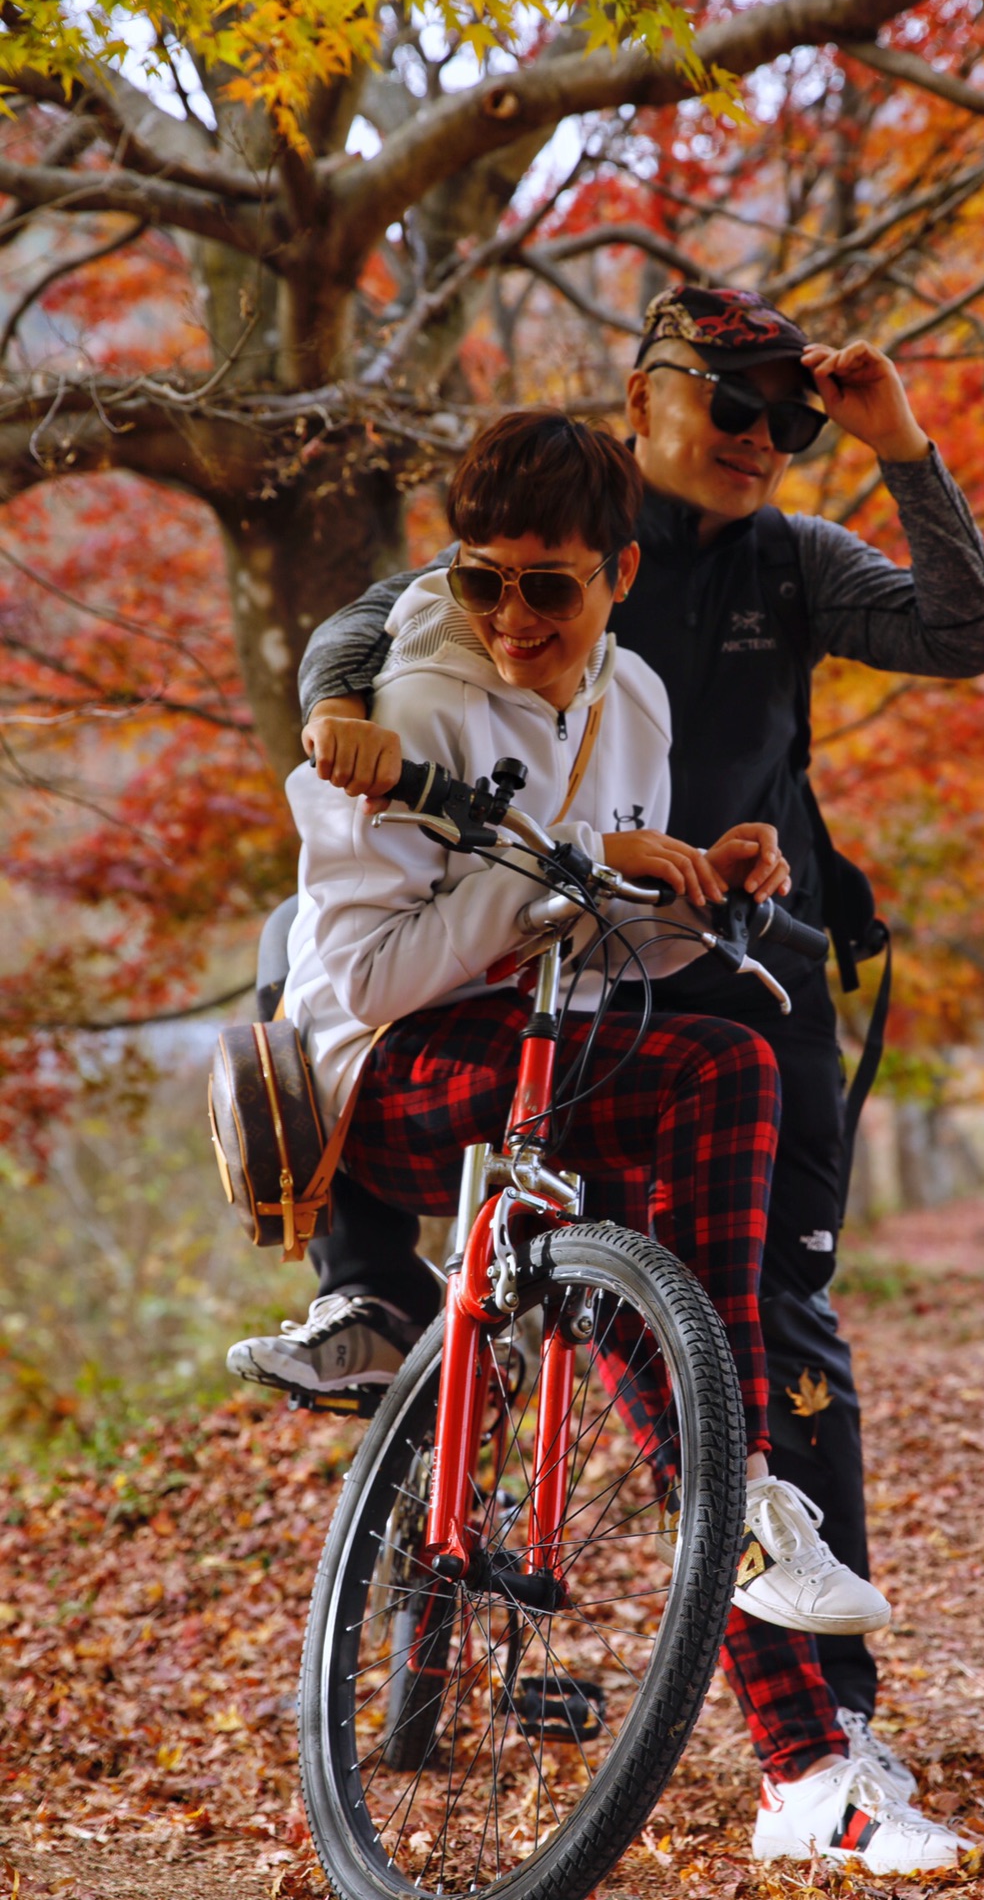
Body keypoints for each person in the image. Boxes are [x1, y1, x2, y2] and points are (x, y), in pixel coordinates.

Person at [241, 287, 984, 1872]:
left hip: (661, 993)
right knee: (555, 1327)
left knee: (732, 1340)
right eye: (726, 403)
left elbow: (966, 634)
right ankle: (416, 1583)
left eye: (782, 416)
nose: (755, 436)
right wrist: (343, 722)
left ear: (620, 588)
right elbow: (374, 656)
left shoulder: (756, 582)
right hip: (462, 1022)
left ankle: (817, 1715)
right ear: (645, 399)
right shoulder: (498, 570)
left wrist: (895, 445)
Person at [240, 408, 892, 1655]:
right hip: (387, 1084)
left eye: (548, 587)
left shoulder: (632, 696)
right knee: (709, 1076)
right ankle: (702, 1470)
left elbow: (592, 945)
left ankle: (736, 1488)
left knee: (730, 1060)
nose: (510, 618)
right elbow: (369, 979)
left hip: (548, 1054)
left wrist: (703, 887)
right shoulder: (412, 705)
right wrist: (584, 861)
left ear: (621, 574)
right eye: (481, 580)